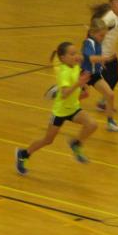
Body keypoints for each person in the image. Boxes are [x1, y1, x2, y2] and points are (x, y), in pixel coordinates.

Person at [16, 42, 98, 174]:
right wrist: (79, 83)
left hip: (73, 108)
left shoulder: (75, 64)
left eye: (76, 52)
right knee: (48, 140)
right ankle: (23, 154)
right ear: (63, 58)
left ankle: (76, 144)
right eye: (72, 54)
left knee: (92, 125)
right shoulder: (64, 72)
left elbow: (84, 59)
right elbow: (65, 94)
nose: (76, 56)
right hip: (59, 112)